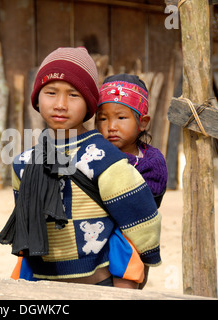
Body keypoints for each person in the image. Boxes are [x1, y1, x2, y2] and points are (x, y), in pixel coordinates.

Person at [0, 47, 161, 287]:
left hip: (99, 286)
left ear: (89, 104)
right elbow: (28, 226)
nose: (61, 104)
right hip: (43, 288)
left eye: (73, 95)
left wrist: (135, 278)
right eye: (51, 92)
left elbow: (142, 221)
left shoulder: (106, 159)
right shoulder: (23, 164)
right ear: (36, 99)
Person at [96, 73, 168, 288]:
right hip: (95, 236)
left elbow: (145, 208)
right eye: (103, 118)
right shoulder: (93, 151)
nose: (111, 126)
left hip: (133, 237)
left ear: (142, 122)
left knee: (127, 285)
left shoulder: (152, 161)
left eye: (121, 117)